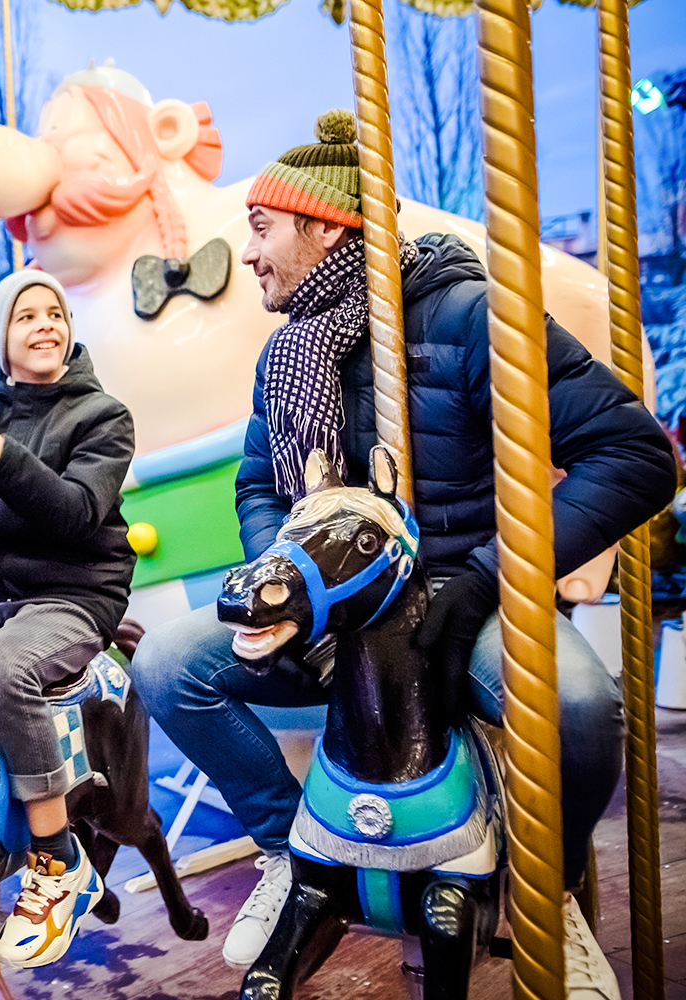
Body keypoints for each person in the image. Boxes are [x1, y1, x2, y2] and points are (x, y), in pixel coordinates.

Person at [129, 110, 675, 994]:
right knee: (166, 665)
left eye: (262, 230)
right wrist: (288, 579)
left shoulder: (470, 317)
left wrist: (492, 576)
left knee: (579, 708)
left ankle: (551, 891)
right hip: (334, 604)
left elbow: (636, 455)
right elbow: (259, 485)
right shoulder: (286, 354)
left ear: (322, 226)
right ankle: (288, 849)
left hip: (464, 596)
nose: (252, 256)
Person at [0, 269, 135, 968]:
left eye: (55, 313)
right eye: (26, 317)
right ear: (0, 341)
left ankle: (55, 857)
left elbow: (75, 515)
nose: (45, 325)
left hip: (72, 596)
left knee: (1, 668)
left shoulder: (102, 416)